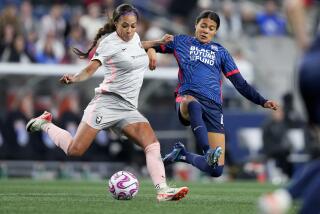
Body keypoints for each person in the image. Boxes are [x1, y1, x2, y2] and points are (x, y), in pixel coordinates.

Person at [26, 4, 188, 202]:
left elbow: (138, 45)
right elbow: (90, 69)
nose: (129, 31)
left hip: (128, 108)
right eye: (125, 26)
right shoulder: (108, 44)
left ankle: (162, 190)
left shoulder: (135, 37)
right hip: (107, 103)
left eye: (133, 26)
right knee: (75, 150)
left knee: (152, 144)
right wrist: (74, 78)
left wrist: (156, 44)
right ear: (116, 24)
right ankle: (46, 123)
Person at [146, 10, 278, 178]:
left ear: (215, 31)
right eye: (203, 26)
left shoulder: (221, 52)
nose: (206, 30)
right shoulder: (181, 41)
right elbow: (146, 45)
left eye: (211, 28)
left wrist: (262, 101)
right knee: (193, 103)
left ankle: (182, 155)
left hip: (213, 107)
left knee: (216, 170)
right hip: (186, 98)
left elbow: (240, 83)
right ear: (196, 25)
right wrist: (151, 50)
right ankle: (207, 151)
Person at [258, 0, 320, 213]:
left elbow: (293, 5)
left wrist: (305, 44)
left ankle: (285, 196)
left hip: (310, 65)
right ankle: (289, 196)